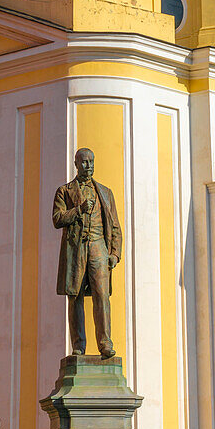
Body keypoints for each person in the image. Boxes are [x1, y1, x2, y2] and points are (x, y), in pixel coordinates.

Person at [53, 147, 122, 357]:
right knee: (75, 298)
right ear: (76, 164)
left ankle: (105, 344)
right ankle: (78, 345)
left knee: (102, 296)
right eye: (84, 162)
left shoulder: (105, 192)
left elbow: (115, 226)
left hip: (99, 247)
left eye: (91, 162)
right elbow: (57, 219)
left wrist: (114, 254)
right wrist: (79, 210)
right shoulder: (64, 191)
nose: (88, 166)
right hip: (75, 251)